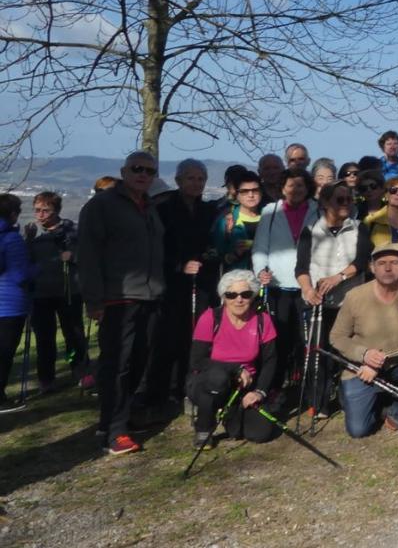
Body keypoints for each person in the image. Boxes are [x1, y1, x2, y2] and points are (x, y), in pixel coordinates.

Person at [78, 151, 165, 454]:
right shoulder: (102, 206)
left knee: (139, 362)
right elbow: (88, 254)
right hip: (117, 298)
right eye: (137, 169)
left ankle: (119, 419)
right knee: (117, 366)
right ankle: (113, 431)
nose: (143, 175)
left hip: (149, 297)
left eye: (150, 171)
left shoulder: (150, 206)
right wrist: (94, 299)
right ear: (124, 171)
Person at [329, 243, 398, 438]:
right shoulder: (354, 296)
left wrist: (382, 360)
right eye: (381, 263)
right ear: (372, 267)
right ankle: (366, 400)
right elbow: (337, 336)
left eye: (394, 262)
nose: (387, 268)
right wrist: (364, 355)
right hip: (361, 368)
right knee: (359, 430)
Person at [150, 159, 218, 414]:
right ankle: (167, 390)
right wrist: (179, 266)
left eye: (201, 179)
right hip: (171, 284)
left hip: (202, 283)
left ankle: (192, 386)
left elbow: (213, 242)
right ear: (178, 181)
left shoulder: (209, 210)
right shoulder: (163, 208)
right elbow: (156, 248)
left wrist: (210, 255)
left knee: (198, 336)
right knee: (170, 338)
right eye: (191, 178)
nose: (196, 183)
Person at [294, 181, 365, 417]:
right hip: (319, 302)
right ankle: (319, 402)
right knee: (318, 352)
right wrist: (307, 290)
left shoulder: (359, 228)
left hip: (349, 302)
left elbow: (361, 260)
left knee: (348, 352)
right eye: (339, 200)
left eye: (349, 200)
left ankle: (349, 398)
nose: (346, 204)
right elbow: (301, 267)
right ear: (325, 202)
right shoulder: (310, 230)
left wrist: (338, 277)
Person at [187, 270, 279, 448]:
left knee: (260, 433)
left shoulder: (263, 320)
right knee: (218, 377)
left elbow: (270, 360)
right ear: (223, 296)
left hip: (244, 386)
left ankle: (231, 415)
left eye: (245, 294)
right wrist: (236, 369)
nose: (239, 300)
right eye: (231, 295)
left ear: (253, 295)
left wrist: (259, 392)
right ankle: (204, 426)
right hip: (208, 382)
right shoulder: (210, 318)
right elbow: (197, 361)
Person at [252, 168, 319, 394]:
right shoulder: (270, 211)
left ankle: (305, 389)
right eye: (291, 185)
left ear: (308, 188)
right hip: (278, 285)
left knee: (305, 340)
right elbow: (260, 246)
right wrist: (260, 271)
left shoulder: (318, 210)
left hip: (308, 285)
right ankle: (274, 389)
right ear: (282, 188)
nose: (295, 189)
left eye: (300, 185)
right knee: (279, 340)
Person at [23, 192, 90, 391]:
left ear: (57, 210)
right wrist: (27, 242)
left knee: (73, 336)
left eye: (46, 210)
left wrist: (73, 256)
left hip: (68, 292)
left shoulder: (71, 231)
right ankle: (46, 378)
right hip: (41, 294)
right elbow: (26, 262)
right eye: (37, 210)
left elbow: (88, 255)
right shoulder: (34, 234)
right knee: (45, 339)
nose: (41, 215)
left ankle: (79, 370)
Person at [0, 194, 33, 413]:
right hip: (10, 304)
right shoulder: (12, 239)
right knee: (4, 353)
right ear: (13, 214)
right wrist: (39, 267)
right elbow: (21, 275)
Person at [359, 177, 398, 281]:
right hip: (377, 281)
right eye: (393, 190)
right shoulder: (371, 221)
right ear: (386, 195)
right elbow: (363, 254)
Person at [212, 171, 264, 272]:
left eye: (255, 190)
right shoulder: (226, 221)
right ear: (236, 194)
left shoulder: (271, 217)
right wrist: (235, 254)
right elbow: (216, 256)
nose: (251, 195)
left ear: (261, 192)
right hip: (238, 278)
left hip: (268, 277)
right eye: (244, 191)